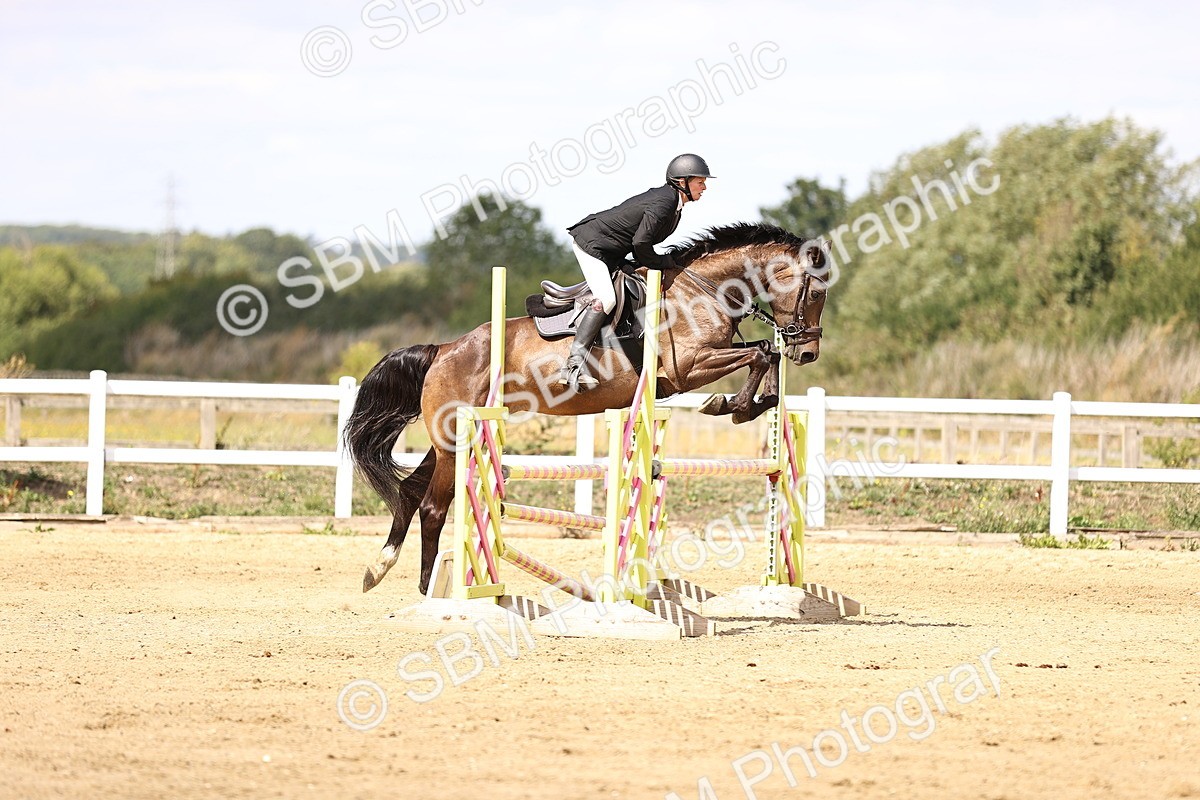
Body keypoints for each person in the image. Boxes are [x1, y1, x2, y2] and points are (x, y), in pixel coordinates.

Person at [559, 153, 714, 389]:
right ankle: (573, 365)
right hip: (593, 245)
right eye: (700, 181)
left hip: (613, 251)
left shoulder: (674, 204)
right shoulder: (665, 203)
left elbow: (640, 244)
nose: (704, 187)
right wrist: (664, 262)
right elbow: (641, 243)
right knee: (606, 298)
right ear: (682, 182)